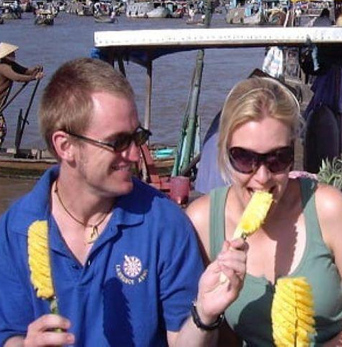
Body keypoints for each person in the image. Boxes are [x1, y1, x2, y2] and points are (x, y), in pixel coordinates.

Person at [0, 58, 247, 346]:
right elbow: (10, 333)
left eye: (137, 136)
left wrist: (204, 316)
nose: (134, 154)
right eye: (118, 142)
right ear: (66, 147)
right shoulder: (15, 228)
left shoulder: (164, 223)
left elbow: (182, 339)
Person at [186, 76, 342, 345]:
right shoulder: (201, 222)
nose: (262, 176)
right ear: (224, 151)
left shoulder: (328, 208)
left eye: (278, 158)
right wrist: (207, 313)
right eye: (245, 158)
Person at [0, 42, 44, 147]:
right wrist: (34, 77)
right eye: (12, 54)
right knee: (1, 129)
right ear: (6, 56)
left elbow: (25, 71)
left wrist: (35, 70)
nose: (14, 55)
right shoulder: (3, 67)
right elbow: (17, 77)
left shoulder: (11, 65)